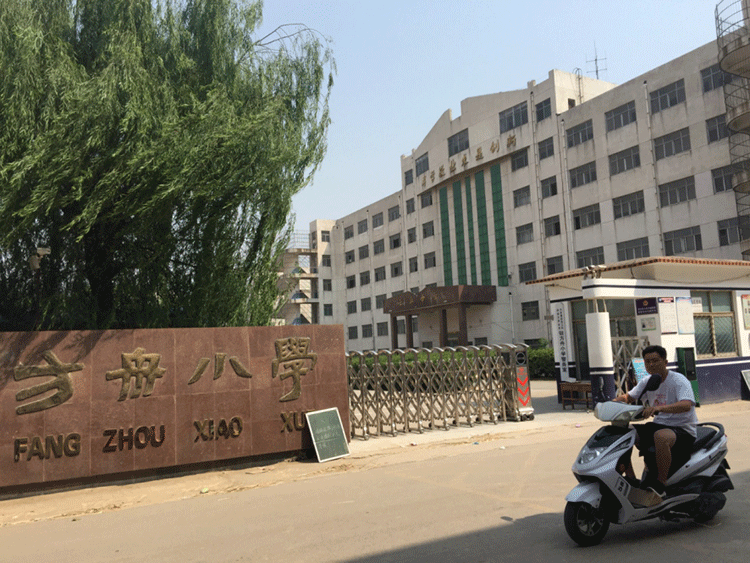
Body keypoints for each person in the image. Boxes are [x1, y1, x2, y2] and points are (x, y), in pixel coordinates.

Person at [613, 344, 697, 498]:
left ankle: (660, 484)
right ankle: (631, 478)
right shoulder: (647, 381)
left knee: (660, 437)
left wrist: (659, 408)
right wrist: (611, 403)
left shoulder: (679, 380)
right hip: (659, 425)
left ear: (665, 362)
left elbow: (686, 404)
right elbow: (628, 397)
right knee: (624, 433)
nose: (651, 364)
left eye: (655, 360)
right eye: (647, 361)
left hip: (682, 428)